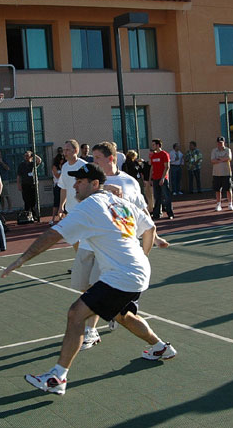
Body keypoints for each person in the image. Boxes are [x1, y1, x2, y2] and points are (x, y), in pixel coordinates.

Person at [1, 162, 177, 396]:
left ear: (95, 184)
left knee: (76, 313)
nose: (74, 186)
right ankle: (159, 347)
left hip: (123, 275)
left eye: (80, 182)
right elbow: (150, 229)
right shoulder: (122, 203)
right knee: (122, 315)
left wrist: (22, 259)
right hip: (139, 271)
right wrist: (142, 256)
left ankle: (57, 377)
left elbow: (53, 234)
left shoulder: (91, 206)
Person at [75, 142, 169, 350]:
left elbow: (141, 213)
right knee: (85, 287)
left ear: (111, 159)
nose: (93, 161)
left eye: (97, 158)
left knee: (96, 290)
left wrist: (155, 237)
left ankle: (92, 331)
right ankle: (111, 312)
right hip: (88, 244)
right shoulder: (94, 181)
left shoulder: (129, 182)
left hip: (114, 248)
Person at [58, 140, 87, 221]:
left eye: (67, 150)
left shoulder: (84, 166)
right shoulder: (64, 167)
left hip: (83, 210)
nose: (65, 153)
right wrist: (61, 206)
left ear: (76, 151)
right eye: (64, 150)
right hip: (69, 210)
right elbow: (64, 188)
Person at [150, 138, 174, 219]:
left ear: (158, 145)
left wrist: (163, 178)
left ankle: (170, 213)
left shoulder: (164, 154)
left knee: (167, 196)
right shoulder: (153, 155)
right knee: (157, 197)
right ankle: (157, 214)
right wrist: (150, 179)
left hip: (163, 179)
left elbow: (167, 167)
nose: (152, 146)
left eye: (153, 145)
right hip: (155, 178)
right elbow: (152, 167)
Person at [17, 150, 43, 221]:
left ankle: (34, 215)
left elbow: (39, 160)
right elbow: (19, 176)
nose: (26, 157)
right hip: (25, 185)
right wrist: (18, 184)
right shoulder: (21, 165)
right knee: (26, 200)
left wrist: (33, 154)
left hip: (33, 184)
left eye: (27, 156)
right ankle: (27, 216)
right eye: (25, 156)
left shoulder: (33, 164)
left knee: (33, 201)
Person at [211, 136, 233, 211]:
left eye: (221, 142)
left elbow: (229, 158)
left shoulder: (228, 150)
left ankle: (230, 204)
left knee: (228, 189)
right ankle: (218, 204)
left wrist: (220, 159)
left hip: (226, 173)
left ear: (224, 142)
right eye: (219, 143)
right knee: (217, 190)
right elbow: (213, 160)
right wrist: (222, 159)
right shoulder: (214, 151)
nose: (220, 144)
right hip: (216, 173)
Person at [0, 149, 12, 213]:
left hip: (4, 180)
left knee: (7, 195)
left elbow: (7, 168)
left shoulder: (4, 160)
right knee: (1, 196)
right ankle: (3, 209)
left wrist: (1, 162)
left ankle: (10, 208)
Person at [51, 148, 65, 225]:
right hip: (57, 185)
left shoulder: (64, 166)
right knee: (56, 202)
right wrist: (63, 171)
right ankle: (53, 218)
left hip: (63, 185)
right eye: (60, 159)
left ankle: (61, 218)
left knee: (63, 202)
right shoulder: (55, 167)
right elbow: (57, 175)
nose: (62, 161)